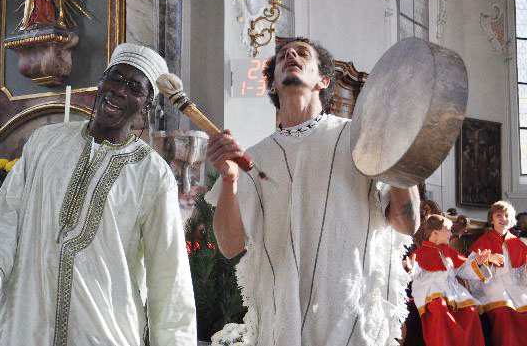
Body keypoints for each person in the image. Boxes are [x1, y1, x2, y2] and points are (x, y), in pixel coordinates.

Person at [0, 43, 196, 345]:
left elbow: (169, 274)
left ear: (146, 104)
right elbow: (6, 216)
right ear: (101, 81)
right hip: (26, 323)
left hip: (102, 330)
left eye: (134, 87)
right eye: (115, 77)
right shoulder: (44, 143)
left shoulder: (152, 174)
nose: (119, 90)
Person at [205, 37, 420, 345]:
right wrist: (229, 180)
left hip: (351, 319)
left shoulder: (359, 138)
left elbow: (407, 223)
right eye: (282, 56)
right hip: (281, 324)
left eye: (302, 53)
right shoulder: (255, 158)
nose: (290, 54)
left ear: (324, 80)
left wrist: (397, 153)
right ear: (273, 84)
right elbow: (229, 246)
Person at [407, 214, 499, 346]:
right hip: (431, 292)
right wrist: (411, 268)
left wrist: (478, 263)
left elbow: (464, 269)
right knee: (440, 308)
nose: (451, 233)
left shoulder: (449, 252)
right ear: (435, 232)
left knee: (470, 310)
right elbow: (415, 271)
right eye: (448, 230)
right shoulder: (420, 253)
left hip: (453, 291)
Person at [468, 201, 527, 346]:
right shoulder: (483, 242)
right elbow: (468, 268)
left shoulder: (519, 243)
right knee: (504, 311)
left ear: (511, 220)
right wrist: (486, 260)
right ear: (492, 219)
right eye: (498, 215)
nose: (503, 218)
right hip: (492, 286)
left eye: (506, 215)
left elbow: (523, 272)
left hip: (516, 286)